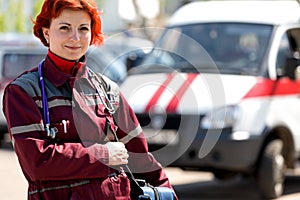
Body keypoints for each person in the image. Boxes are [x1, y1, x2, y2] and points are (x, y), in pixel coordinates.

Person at [2, 0, 178, 199]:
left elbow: (141, 159)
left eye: (83, 28)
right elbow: (37, 163)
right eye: (64, 28)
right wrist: (103, 155)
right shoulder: (23, 92)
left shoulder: (108, 90)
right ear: (46, 32)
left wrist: (167, 193)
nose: (75, 37)